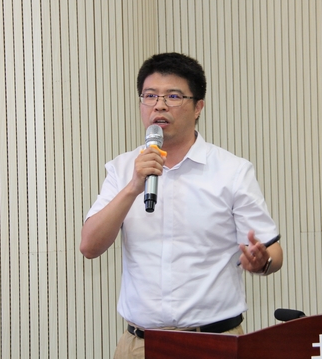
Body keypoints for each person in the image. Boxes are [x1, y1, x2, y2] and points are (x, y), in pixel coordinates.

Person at [80, 52, 283, 359]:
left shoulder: (232, 171)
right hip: (141, 345)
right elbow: (89, 246)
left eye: (173, 96)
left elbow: (273, 252)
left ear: (198, 107)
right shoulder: (122, 169)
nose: (159, 105)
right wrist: (133, 187)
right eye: (150, 96)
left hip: (215, 342)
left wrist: (262, 262)